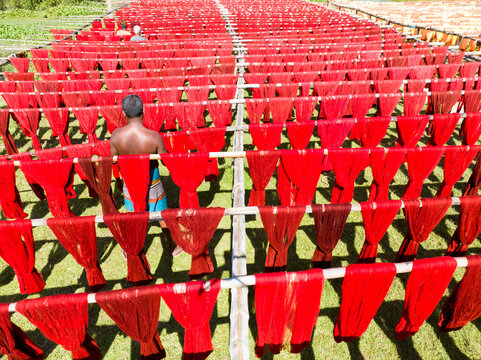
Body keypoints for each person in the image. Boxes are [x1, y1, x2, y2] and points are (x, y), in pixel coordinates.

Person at [110, 94, 182, 256]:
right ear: (143, 111)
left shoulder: (116, 136)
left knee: (132, 216)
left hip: (130, 184)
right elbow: (165, 161)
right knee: (162, 215)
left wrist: (120, 175)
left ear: (123, 114)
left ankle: (130, 247)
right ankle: (172, 246)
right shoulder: (153, 137)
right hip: (153, 184)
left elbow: (113, 162)